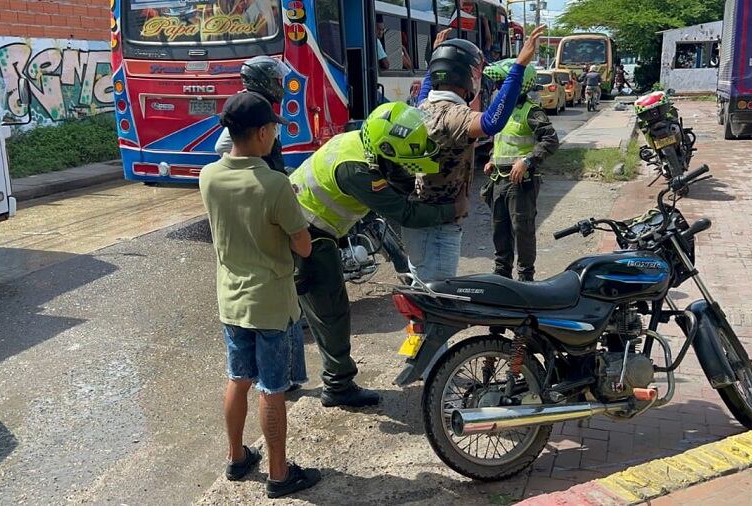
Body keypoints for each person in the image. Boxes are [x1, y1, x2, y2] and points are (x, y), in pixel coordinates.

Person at [290, 102, 469, 408]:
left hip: (307, 228)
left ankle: (288, 378)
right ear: (383, 152)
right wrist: (452, 209)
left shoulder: (360, 143)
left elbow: (395, 180)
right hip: (307, 236)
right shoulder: (357, 171)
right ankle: (337, 386)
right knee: (331, 312)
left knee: (293, 311)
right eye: (398, 162)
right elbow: (405, 213)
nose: (404, 169)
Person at [200, 92, 320, 499]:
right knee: (272, 387)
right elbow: (303, 246)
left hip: (230, 300)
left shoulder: (208, 177)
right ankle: (279, 474)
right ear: (263, 132)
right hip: (270, 303)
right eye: (272, 129)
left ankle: (236, 458)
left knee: (238, 378)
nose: (274, 136)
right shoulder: (274, 184)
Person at [404, 24, 546, 283]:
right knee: (438, 300)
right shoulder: (452, 115)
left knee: (422, 288)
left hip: (419, 218)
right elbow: (492, 122)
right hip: (439, 223)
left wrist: (436, 58)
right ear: (469, 77)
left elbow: (427, 86)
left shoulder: (422, 106)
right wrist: (519, 66)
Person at [481, 61, 560, 281]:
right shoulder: (500, 111)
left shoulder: (531, 112)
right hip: (498, 179)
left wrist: (527, 160)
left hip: (521, 182)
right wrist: (491, 159)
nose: (498, 89)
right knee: (500, 229)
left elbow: (551, 140)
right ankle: (502, 275)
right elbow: (502, 141)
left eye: (502, 84)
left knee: (522, 229)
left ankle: (526, 278)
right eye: (498, 84)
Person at [215, 56, 291, 174]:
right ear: (263, 80)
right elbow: (222, 146)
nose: (279, 85)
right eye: (276, 80)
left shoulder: (260, 102)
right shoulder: (250, 106)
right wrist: (257, 169)